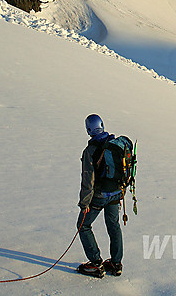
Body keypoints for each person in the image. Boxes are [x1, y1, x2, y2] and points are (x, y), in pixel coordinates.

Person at [76, 114, 124, 278]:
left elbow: (88, 180)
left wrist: (84, 203)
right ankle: (116, 263)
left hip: (100, 195)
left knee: (83, 226)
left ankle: (96, 264)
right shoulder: (114, 143)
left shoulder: (90, 150)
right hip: (117, 193)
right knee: (113, 226)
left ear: (88, 129)